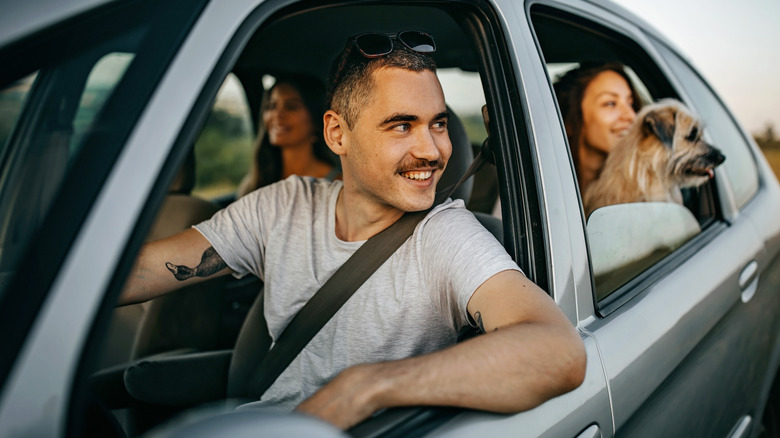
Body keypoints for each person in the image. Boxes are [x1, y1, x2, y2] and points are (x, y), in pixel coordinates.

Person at [121, 31, 586, 430]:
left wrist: (368, 386)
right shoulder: (285, 205)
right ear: (337, 134)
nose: (431, 150)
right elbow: (144, 270)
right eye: (402, 126)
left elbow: (559, 351)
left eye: (438, 123)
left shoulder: (446, 236)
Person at [236, 74, 339, 198]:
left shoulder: (336, 184)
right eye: (271, 106)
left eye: (291, 107)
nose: (277, 115)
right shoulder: (253, 183)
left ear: (316, 120)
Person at [554, 62, 642, 194]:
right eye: (610, 103)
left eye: (631, 104)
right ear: (569, 122)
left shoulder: (642, 191)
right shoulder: (545, 190)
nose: (631, 116)